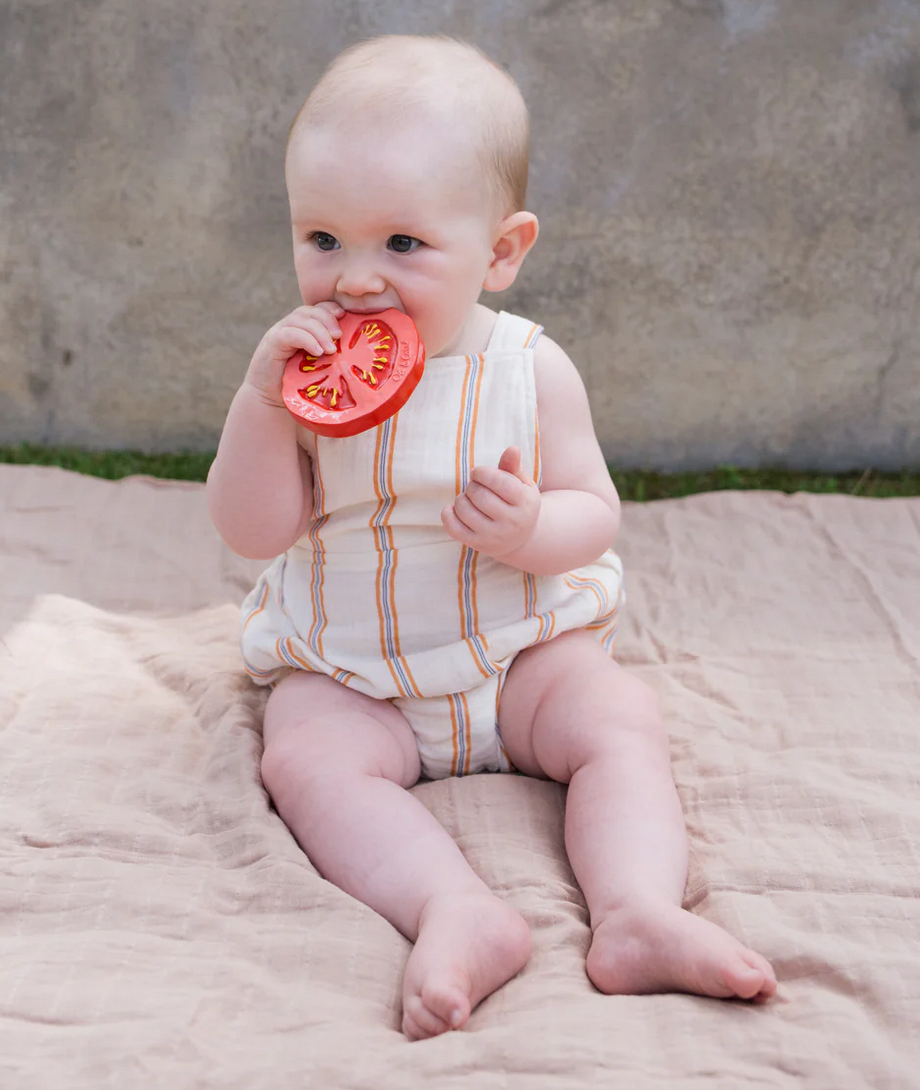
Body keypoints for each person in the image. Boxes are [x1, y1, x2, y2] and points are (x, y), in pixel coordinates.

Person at [206, 33, 777, 1040]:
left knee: (616, 717)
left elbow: (592, 510)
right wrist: (259, 406)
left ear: (501, 252)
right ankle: (453, 908)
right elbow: (254, 529)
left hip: (516, 661)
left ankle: (636, 911)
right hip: (354, 672)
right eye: (322, 240)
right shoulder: (297, 379)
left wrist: (529, 528)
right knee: (301, 758)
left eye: (403, 245)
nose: (353, 281)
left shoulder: (526, 370)